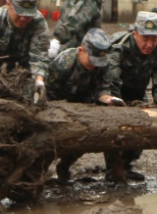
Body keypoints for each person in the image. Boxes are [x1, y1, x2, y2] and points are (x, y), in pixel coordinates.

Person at [45, 28, 123, 183]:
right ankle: (41, 171)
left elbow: (103, 87)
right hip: (59, 104)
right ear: (81, 51)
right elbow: (50, 92)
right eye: (92, 60)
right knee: (50, 142)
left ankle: (64, 167)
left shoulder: (103, 65)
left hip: (85, 106)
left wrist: (107, 98)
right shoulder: (63, 63)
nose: (95, 66)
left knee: (83, 139)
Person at [104, 11, 157, 181]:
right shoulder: (119, 47)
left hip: (136, 94)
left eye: (154, 39)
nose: (150, 44)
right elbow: (111, 80)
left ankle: (126, 165)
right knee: (115, 130)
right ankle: (113, 169)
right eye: (145, 38)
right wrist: (116, 105)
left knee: (141, 130)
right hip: (114, 93)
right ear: (135, 34)